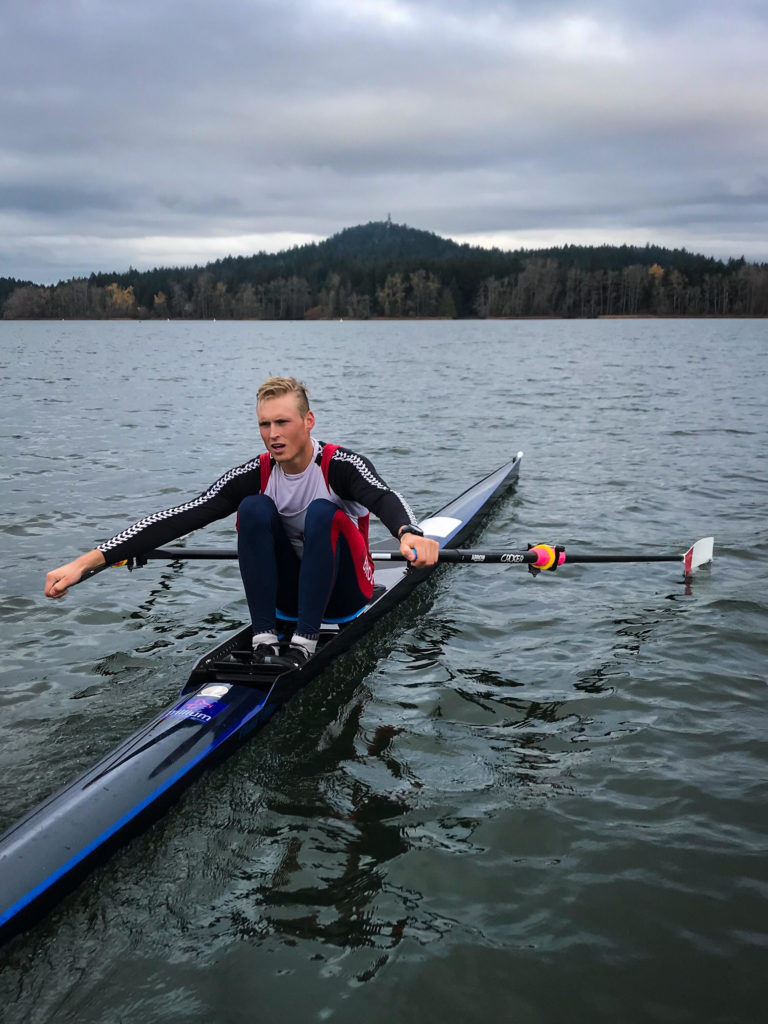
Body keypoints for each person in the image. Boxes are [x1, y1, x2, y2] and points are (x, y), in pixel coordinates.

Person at [45, 376, 439, 666]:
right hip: (287, 600)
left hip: (345, 596)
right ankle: (265, 638)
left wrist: (408, 533)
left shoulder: (341, 465)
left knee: (323, 512)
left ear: (309, 421)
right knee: (252, 507)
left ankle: (306, 641)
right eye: (264, 425)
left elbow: (384, 496)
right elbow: (181, 515)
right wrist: (85, 563)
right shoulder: (258, 471)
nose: (272, 434)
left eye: (282, 422)